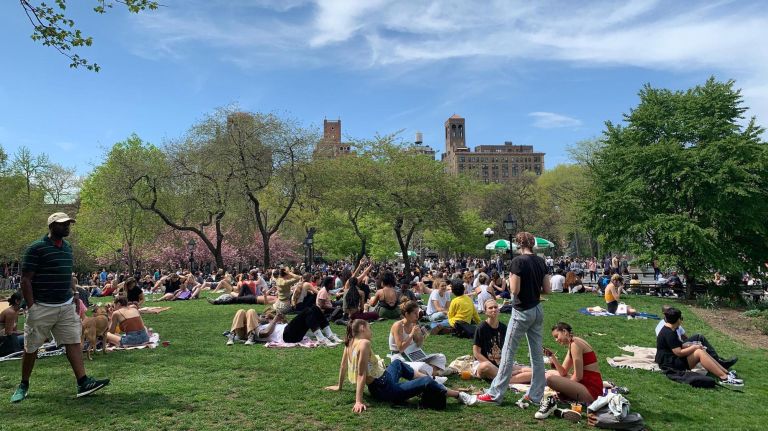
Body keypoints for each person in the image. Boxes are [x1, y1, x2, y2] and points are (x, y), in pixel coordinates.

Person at [11, 212, 109, 403]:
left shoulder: (67, 248)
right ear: (51, 226)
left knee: (73, 341)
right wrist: (31, 307)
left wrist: (74, 295)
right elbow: (25, 280)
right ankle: (24, 384)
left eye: (68, 224)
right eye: (62, 224)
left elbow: (67, 276)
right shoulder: (36, 248)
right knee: (31, 347)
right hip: (41, 306)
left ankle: (83, 382)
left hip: (64, 305)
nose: (67, 227)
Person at [469, 231, 551, 408]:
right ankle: (535, 395)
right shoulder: (541, 261)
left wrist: (509, 278)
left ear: (519, 245)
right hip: (537, 309)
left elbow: (514, 289)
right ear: (533, 243)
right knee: (536, 355)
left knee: (507, 353)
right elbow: (547, 289)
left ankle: (495, 393)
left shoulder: (518, 261)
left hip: (522, 311)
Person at [324, 319, 473, 413]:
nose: (371, 330)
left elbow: (343, 366)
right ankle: (459, 395)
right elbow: (361, 374)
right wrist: (358, 401)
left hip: (382, 380)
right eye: (369, 327)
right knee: (426, 382)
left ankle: (435, 382)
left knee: (398, 363)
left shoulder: (349, 342)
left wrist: (339, 386)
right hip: (384, 389)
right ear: (362, 328)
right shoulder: (364, 343)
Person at [655, 307, 742, 389]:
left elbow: (676, 345)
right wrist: (694, 347)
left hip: (672, 360)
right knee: (699, 352)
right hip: (670, 364)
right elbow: (679, 352)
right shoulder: (669, 333)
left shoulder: (669, 329)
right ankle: (725, 378)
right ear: (678, 320)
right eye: (681, 318)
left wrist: (690, 345)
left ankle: (725, 373)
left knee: (700, 350)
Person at [654, 305, 737, 370]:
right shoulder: (665, 328)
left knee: (698, 337)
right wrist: (692, 348)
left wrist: (689, 344)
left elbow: (683, 336)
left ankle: (717, 361)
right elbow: (667, 344)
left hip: (678, 343)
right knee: (698, 344)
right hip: (672, 347)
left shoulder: (674, 323)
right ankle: (721, 368)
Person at [472, 299, 532, 383]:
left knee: (528, 370)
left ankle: (541, 375)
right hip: (485, 363)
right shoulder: (481, 328)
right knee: (485, 366)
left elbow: (507, 348)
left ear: (499, 310)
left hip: (500, 362)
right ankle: (508, 376)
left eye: (495, 307)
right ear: (485, 312)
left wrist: (505, 365)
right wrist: (497, 367)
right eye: (490, 308)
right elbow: (476, 353)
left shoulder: (503, 327)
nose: (493, 309)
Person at [227, 305, 342, 346]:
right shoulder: (257, 331)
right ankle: (321, 339)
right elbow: (266, 333)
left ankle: (330, 335)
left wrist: (269, 319)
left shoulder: (260, 324)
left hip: (288, 332)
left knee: (314, 308)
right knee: (308, 311)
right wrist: (275, 319)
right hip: (286, 335)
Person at [389, 301, 447, 375]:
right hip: (400, 357)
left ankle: (432, 373)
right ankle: (436, 372)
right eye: (415, 313)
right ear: (407, 314)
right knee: (423, 366)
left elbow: (419, 345)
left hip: (413, 354)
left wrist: (420, 336)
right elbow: (401, 348)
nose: (417, 316)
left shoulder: (414, 324)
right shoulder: (398, 325)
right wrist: (412, 333)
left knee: (441, 357)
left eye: (418, 313)